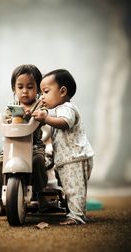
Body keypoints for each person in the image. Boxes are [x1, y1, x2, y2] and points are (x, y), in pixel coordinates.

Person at [32, 69, 94, 225]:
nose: (42, 96)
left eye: (45, 91)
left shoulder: (67, 108)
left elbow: (65, 123)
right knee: (69, 187)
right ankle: (72, 211)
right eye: (41, 93)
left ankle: (77, 216)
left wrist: (46, 117)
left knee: (75, 189)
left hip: (75, 158)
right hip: (68, 159)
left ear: (62, 91)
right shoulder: (59, 110)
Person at [0, 64, 48, 216]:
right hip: (12, 148)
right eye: (20, 87)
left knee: (38, 162)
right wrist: (3, 119)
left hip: (34, 146)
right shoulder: (11, 107)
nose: (25, 91)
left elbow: (44, 116)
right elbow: (6, 120)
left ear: (38, 89)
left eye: (30, 86)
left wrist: (36, 115)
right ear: (14, 89)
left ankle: (40, 193)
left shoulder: (40, 105)